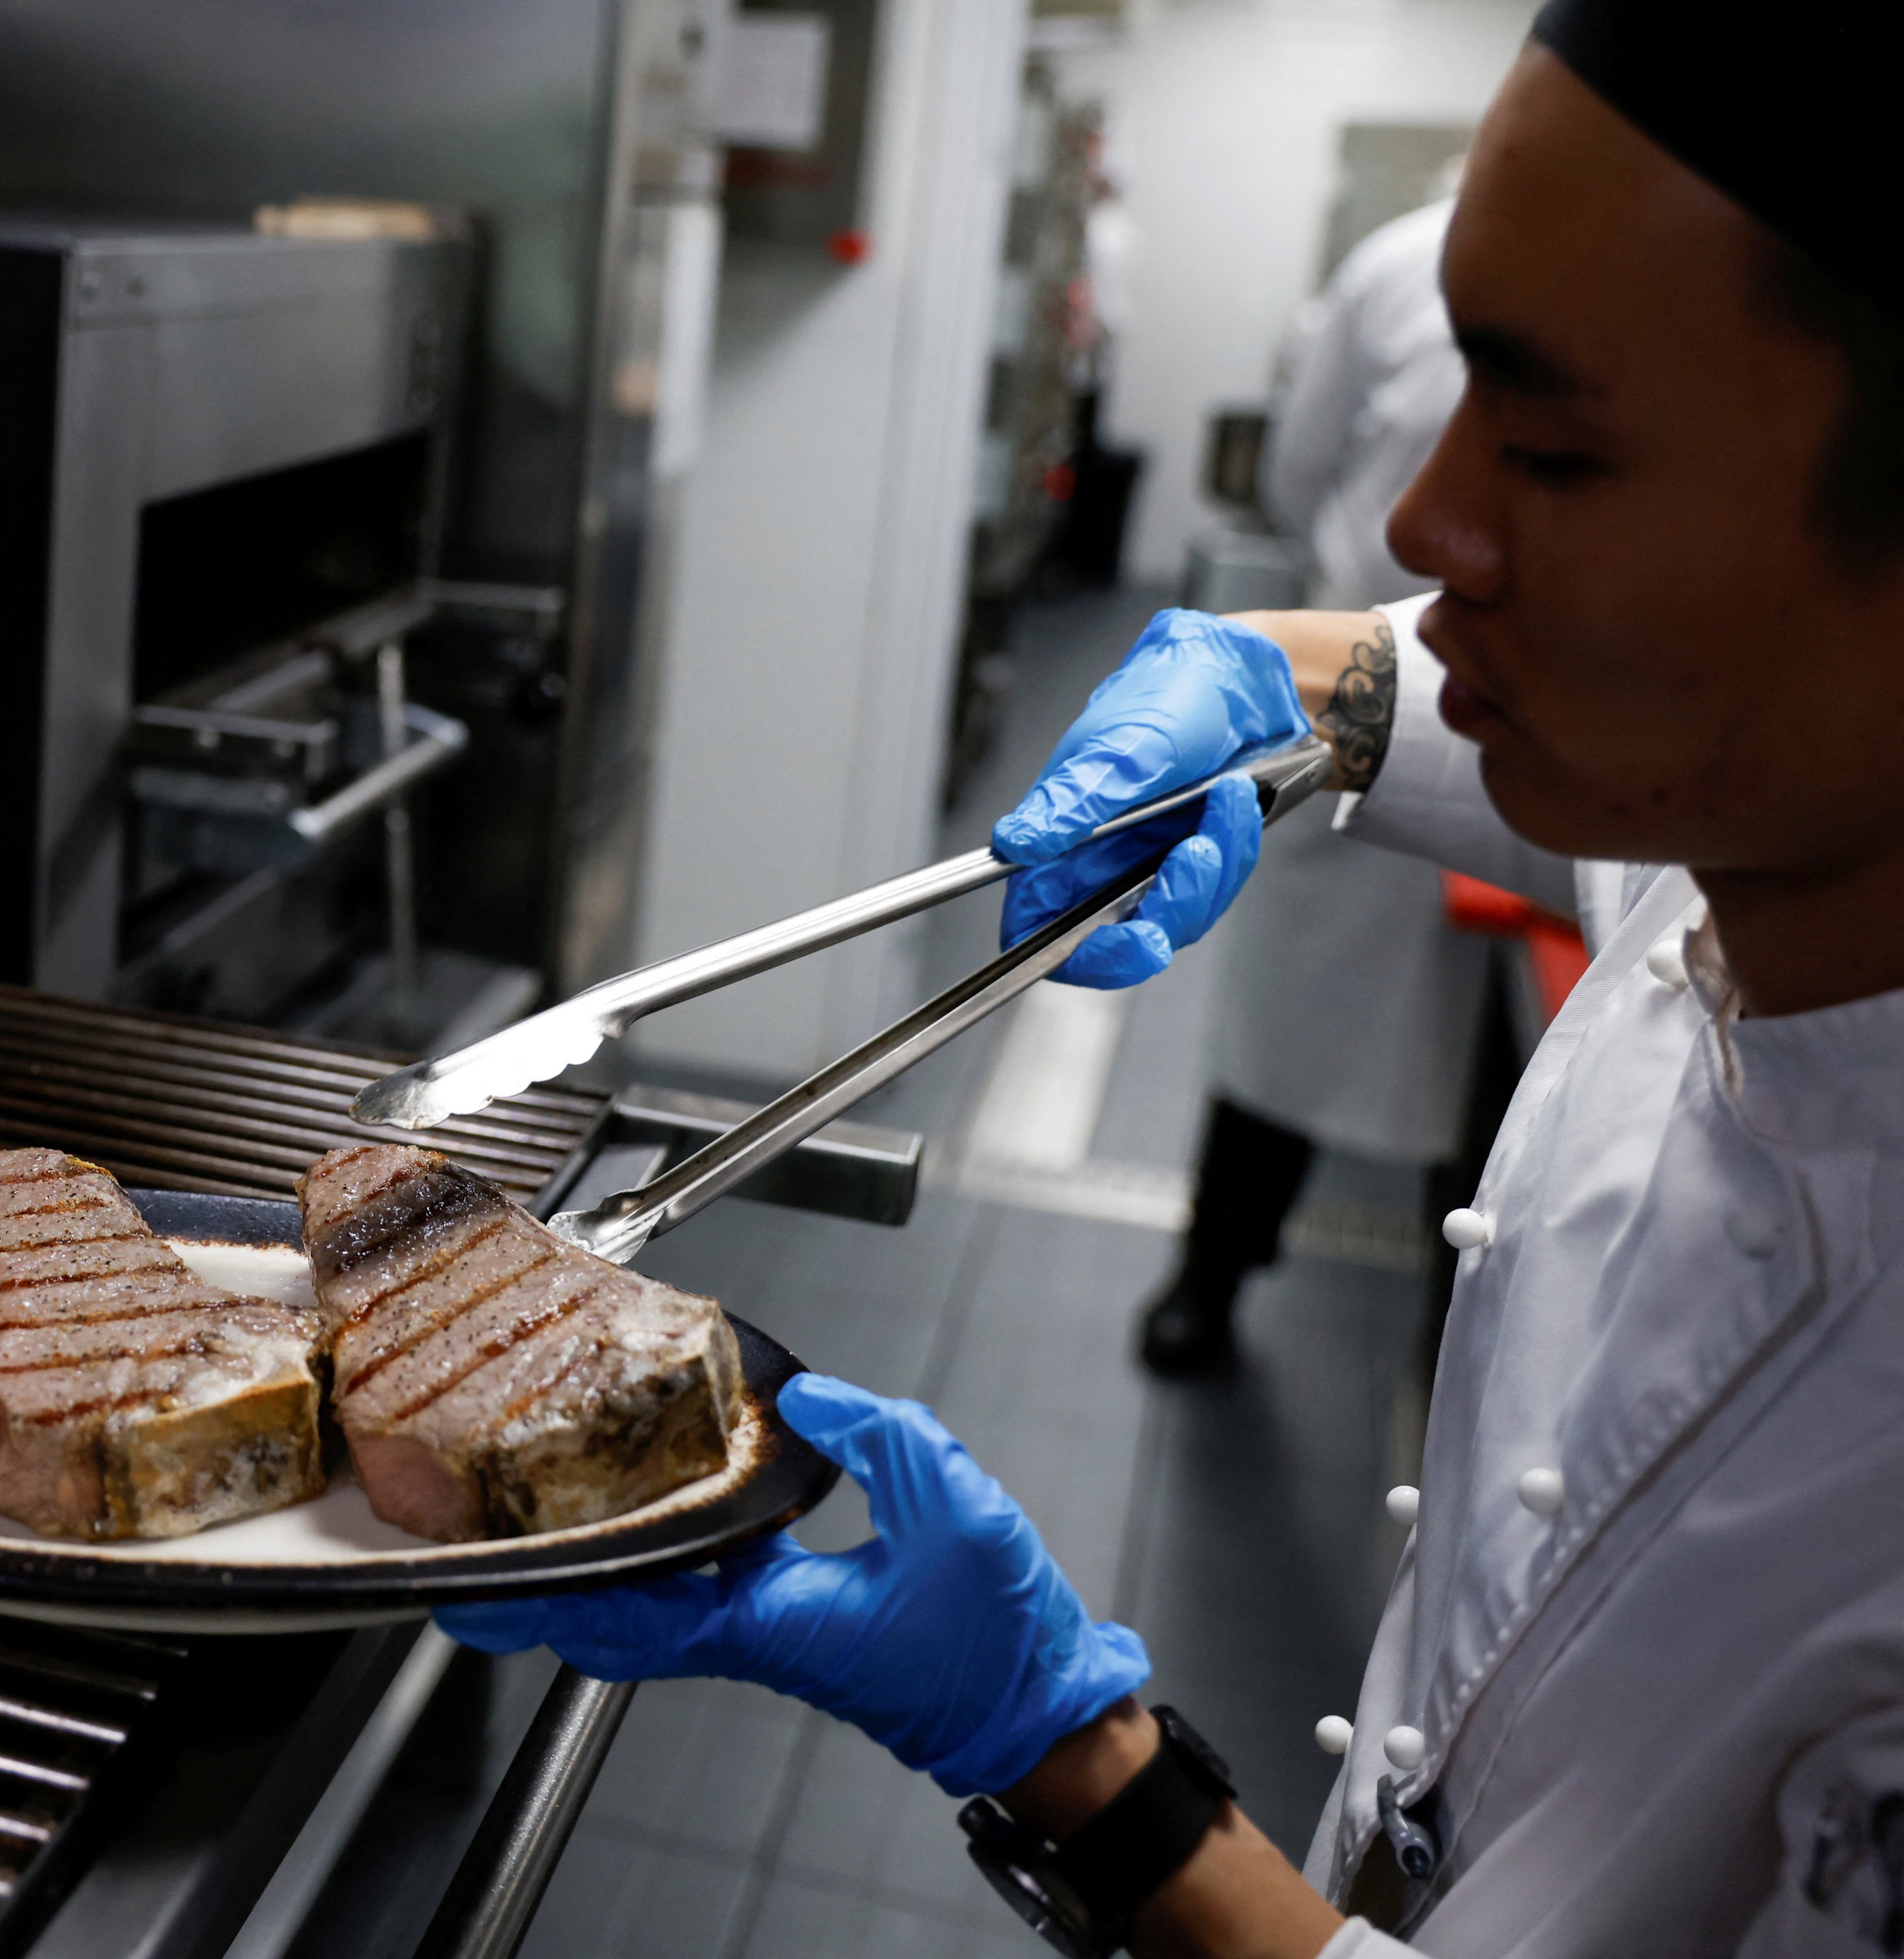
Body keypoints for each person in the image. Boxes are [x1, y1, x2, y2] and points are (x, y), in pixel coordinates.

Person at [440, 3, 1904, 1952]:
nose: (1420, 519)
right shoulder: (1768, 815)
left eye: (1551, 446)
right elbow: (1453, 679)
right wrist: (1287, 679)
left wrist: (1076, 1758)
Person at [1141, 192, 1496, 1376]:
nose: (1438, 514)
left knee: (1504, 1116)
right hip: (1366, 685)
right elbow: (1299, 476)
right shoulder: (1400, 263)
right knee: (1290, 1028)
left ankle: (1454, 1359)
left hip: (1540, 722)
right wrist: (1307, 670)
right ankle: (1212, 1274)